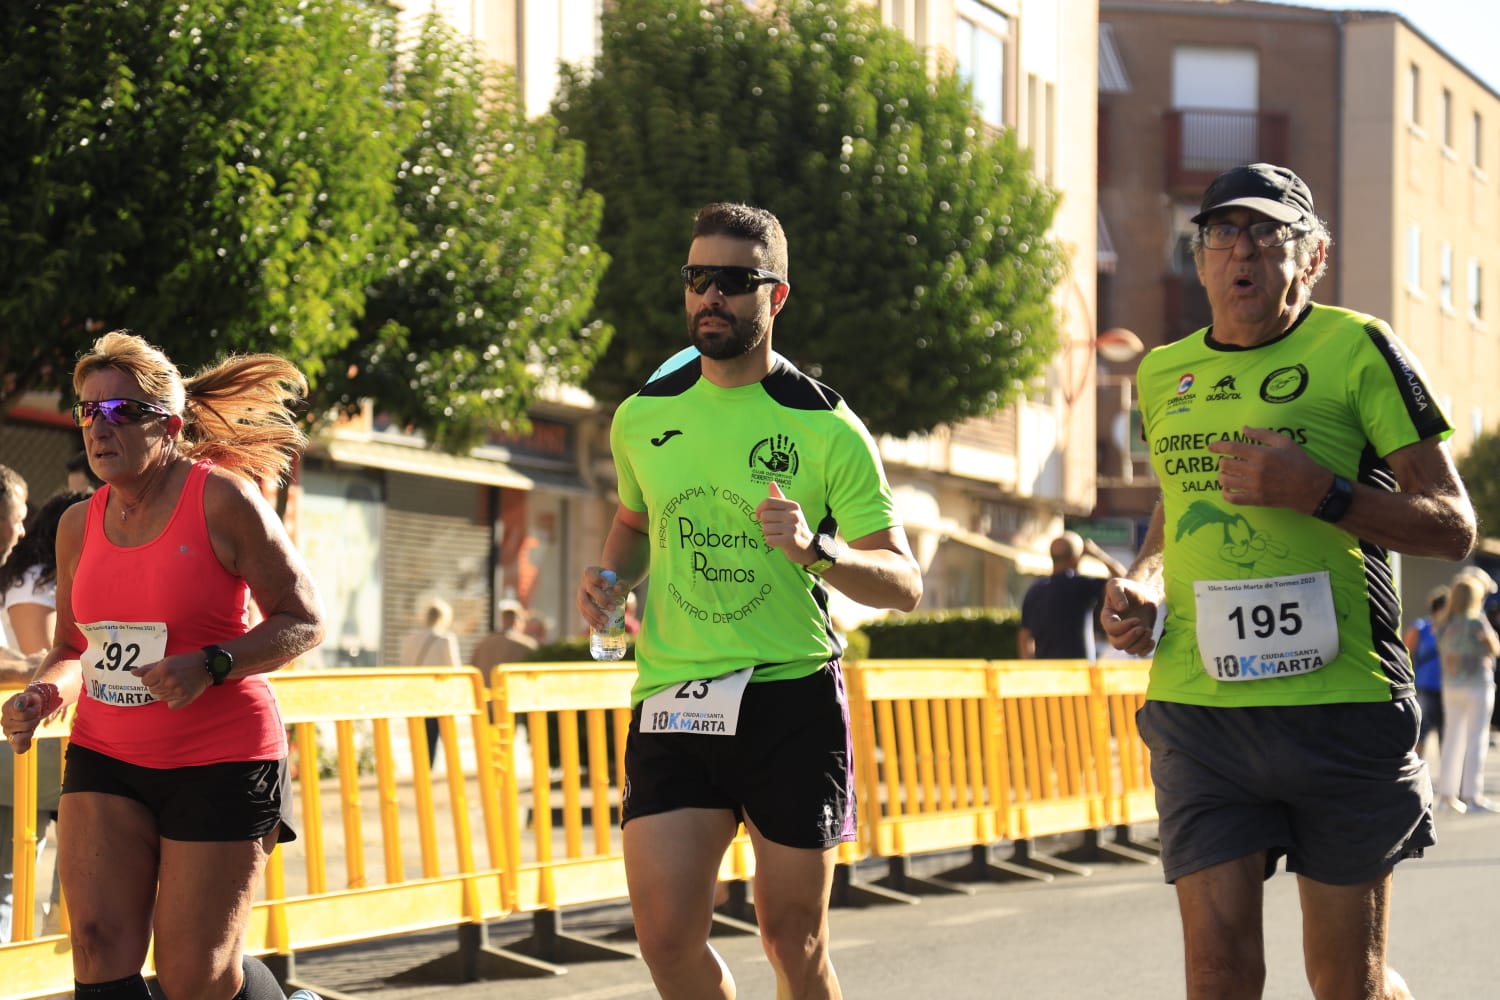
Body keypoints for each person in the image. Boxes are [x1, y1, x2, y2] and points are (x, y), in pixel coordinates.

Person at [1098, 163, 1475, 1000]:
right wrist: (1146, 583)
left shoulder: (1357, 348)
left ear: (1313, 258)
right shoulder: (1164, 374)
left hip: (1341, 709)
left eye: (1269, 235)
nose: (1244, 253)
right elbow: (1175, 507)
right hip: (1202, 711)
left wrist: (1326, 495)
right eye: (1223, 234)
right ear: (1197, 260)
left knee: (1346, 983)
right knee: (1217, 974)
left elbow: (1455, 524)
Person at [576, 202, 922, 1000]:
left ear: (777, 297)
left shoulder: (827, 427)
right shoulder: (644, 415)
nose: (710, 298)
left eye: (733, 282)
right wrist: (609, 581)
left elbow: (903, 583)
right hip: (674, 697)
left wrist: (816, 548)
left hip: (790, 701)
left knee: (791, 939)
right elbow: (634, 520)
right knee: (665, 938)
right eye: (698, 279)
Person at [0, 331, 326, 1000]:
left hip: (220, 756)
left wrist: (213, 663)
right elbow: (74, 648)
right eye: (87, 411)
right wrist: (42, 694)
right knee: (94, 943)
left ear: (168, 426)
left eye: (119, 411)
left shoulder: (222, 499)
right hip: (107, 753)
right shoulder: (74, 524)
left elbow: (304, 620)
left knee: (195, 977)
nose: (99, 426)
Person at [0, 490, 88, 942]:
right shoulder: (37, 579)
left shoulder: (33, 574)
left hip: (54, 738)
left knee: (65, 882)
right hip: (40, 735)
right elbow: (45, 655)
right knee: (22, 876)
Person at [1433, 573, 1498, 814]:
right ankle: (1472, 795)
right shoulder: (1477, 621)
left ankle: (1447, 794)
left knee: (1452, 740)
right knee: (1476, 740)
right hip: (1478, 685)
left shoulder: (1443, 623)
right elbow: (1494, 648)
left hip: (1451, 686)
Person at [1017, 531, 1129, 660]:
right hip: (1078, 670)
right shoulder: (1081, 585)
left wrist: (1032, 667)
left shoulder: (1035, 590)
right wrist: (1097, 553)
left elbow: (1024, 636)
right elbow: (1122, 583)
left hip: (1046, 671)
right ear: (1075, 558)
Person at [400, 597, 462, 761]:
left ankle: (421, 768)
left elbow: (404, 665)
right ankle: (432, 771)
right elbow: (454, 668)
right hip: (438, 693)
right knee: (438, 734)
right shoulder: (446, 639)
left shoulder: (411, 638)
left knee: (420, 733)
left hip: (415, 692)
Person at [1403, 586, 1447, 758]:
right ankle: (1417, 770)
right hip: (1424, 687)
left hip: (1446, 687)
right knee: (1421, 732)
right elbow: (1406, 655)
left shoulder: (1451, 629)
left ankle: (1447, 777)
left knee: (1446, 734)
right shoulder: (1420, 627)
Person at [471, 599, 539, 686]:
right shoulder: (528, 645)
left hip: (485, 697)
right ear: (518, 620)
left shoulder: (482, 643)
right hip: (513, 695)